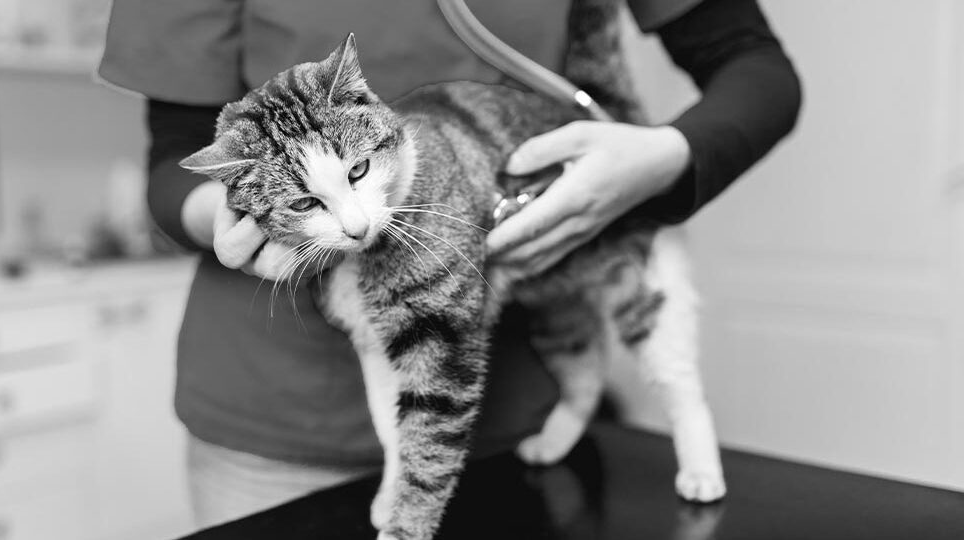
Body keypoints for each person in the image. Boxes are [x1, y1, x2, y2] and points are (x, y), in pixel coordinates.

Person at [98, 0, 801, 529]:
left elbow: (755, 64)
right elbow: (176, 158)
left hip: (509, 426)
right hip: (271, 430)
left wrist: (662, 159)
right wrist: (233, 219)